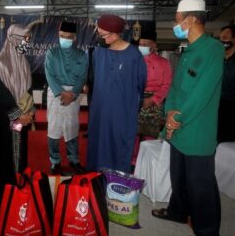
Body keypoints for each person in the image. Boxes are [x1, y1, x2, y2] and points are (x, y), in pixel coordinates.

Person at [151, 0, 224, 236]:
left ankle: (207, 229)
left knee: (200, 185)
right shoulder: (188, 50)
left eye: (177, 17)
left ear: (191, 19)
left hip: (196, 130)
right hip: (178, 127)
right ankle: (178, 211)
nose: (175, 23)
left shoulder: (212, 49)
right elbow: (175, 88)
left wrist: (176, 119)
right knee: (179, 176)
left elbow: (202, 93)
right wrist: (168, 113)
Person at [86, 14, 147, 173]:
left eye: (102, 34)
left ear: (114, 35)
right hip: (100, 112)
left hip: (122, 112)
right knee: (98, 146)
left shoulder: (134, 55)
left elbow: (141, 85)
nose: (98, 37)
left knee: (119, 146)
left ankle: (117, 184)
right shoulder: (98, 52)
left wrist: (133, 107)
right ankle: (96, 181)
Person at [0, 24, 35, 198]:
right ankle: (5, 185)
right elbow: (2, 95)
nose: (27, 42)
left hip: (23, 117)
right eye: (24, 39)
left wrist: (29, 113)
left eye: (28, 39)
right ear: (13, 39)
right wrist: (19, 116)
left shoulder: (24, 61)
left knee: (19, 150)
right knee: (5, 150)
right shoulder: (1, 63)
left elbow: (28, 90)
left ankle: (18, 180)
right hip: (6, 119)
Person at [45, 21, 88, 175]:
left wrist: (73, 94)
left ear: (75, 38)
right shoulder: (52, 53)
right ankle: (55, 161)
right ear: (58, 35)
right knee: (54, 129)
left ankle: (74, 160)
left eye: (68, 37)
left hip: (73, 95)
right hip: (55, 93)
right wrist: (60, 92)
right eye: (62, 36)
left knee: (72, 128)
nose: (64, 39)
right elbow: (49, 74)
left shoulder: (82, 55)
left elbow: (83, 76)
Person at [131, 31, 172, 168]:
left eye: (146, 44)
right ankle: (133, 161)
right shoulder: (134, 61)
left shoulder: (164, 63)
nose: (142, 46)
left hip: (155, 102)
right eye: (140, 44)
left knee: (150, 134)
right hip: (136, 100)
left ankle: (147, 162)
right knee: (134, 133)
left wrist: (153, 99)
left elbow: (167, 84)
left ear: (154, 45)